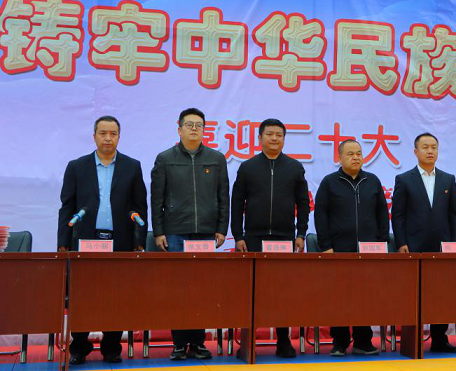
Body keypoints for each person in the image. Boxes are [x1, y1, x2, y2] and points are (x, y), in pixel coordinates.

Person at [58, 115, 148, 365]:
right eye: (103, 133)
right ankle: (79, 347)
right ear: (94, 136)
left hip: (120, 240)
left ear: (119, 137)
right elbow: (67, 206)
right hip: (86, 240)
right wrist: (63, 241)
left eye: (113, 134)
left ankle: (111, 347)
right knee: (82, 296)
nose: (108, 138)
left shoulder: (132, 166)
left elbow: (140, 206)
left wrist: (139, 240)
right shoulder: (77, 166)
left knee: (116, 295)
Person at [150, 107, 229, 360]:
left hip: (206, 233)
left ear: (205, 130)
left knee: (201, 289)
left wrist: (221, 228)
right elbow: (157, 198)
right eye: (189, 125)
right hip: (175, 232)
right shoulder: (165, 159)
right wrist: (159, 231)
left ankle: (197, 343)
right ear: (179, 129)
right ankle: (178, 343)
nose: (194, 129)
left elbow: (223, 196)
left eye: (199, 125)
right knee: (178, 289)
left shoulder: (216, 159)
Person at [230, 118, 309, 358]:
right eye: (269, 134)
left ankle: (283, 341)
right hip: (253, 237)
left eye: (279, 135)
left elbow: (303, 203)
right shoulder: (248, 167)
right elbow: (237, 203)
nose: (274, 138)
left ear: (284, 139)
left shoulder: (295, 168)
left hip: (284, 238)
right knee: (253, 292)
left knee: (282, 292)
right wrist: (238, 235)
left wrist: (301, 233)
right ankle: (248, 341)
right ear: (260, 138)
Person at [314, 139, 390, 357]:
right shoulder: (329, 182)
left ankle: (363, 341)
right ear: (339, 157)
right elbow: (321, 215)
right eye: (350, 154)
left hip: (369, 250)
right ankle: (339, 342)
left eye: (359, 153)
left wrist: (382, 243)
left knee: (365, 297)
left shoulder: (372, 181)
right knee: (339, 297)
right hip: (339, 250)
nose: (356, 157)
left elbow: (382, 214)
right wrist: (326, 246)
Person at [391, 133, 456, 353]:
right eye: (425, 147)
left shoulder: (448, 179)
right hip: (414, 246)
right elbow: (398, 215)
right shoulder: (404, 179)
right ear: (416, 151)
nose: (430, 151)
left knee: (442, 295)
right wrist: (401, 242)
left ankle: (440, 339)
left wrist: (454, 244)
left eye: (434, 147)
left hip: (442, 247)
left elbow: (454, 215)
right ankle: (413, 339)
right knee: (414, 295)